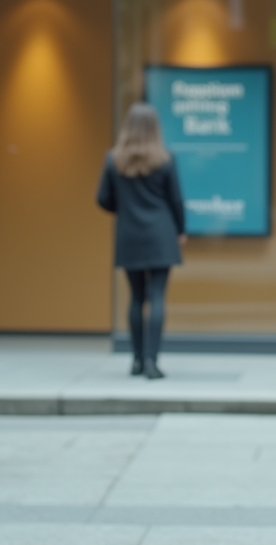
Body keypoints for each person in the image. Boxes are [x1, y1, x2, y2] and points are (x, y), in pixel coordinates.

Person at [96, 103, 187, 380]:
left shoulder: (114, 159)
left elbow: (102, 199)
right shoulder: (166, 159)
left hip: (129, 234)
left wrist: (124, 209)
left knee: (136, 297)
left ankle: (135, 361)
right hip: (161, 234)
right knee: (157, 296)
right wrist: (180, 230)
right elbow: (176, 200)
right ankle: (152, 362)